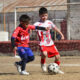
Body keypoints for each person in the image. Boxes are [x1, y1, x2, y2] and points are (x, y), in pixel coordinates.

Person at [34, 7, 64, 74]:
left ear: (47, 15)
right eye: (42, 16)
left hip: (50, 43)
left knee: (58, 56)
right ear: (39, 15)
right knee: (44, 54)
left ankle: (57, 68)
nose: (44, 17)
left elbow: (55, 28)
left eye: (45, 15)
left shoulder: (49, 22)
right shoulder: (36, 24)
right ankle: (43, 64)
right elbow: (31, 29)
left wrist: (61, 34)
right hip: (42, 43)